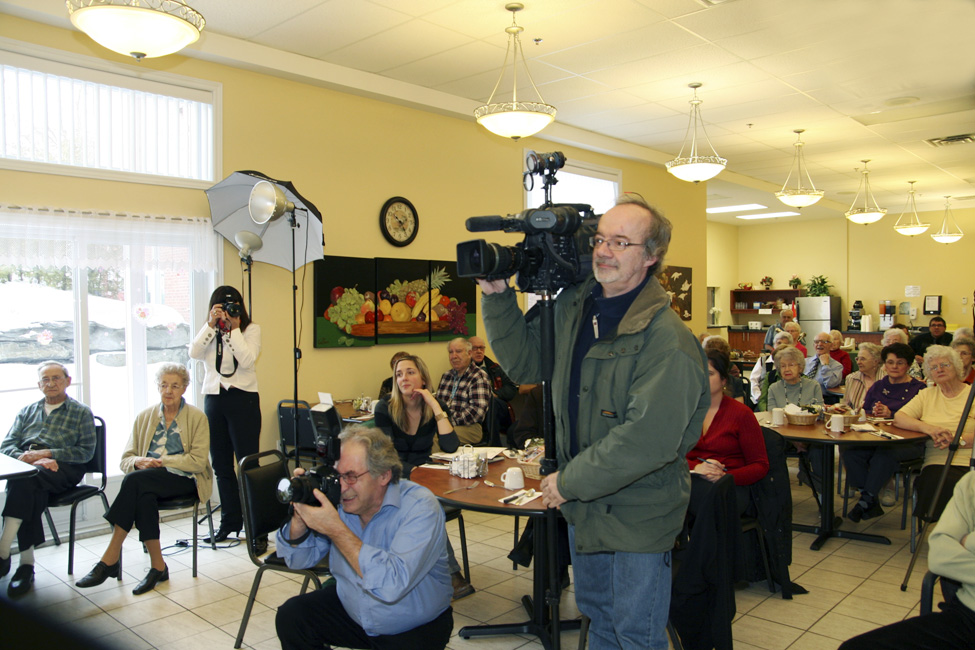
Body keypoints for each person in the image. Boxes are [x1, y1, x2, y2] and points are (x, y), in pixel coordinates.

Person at [478, 194, 709, 649]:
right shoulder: (577, 306)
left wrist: (569, 481)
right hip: (586, 507)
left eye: (621, 242)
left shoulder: (669, 342)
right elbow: (527, 365)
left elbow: (647, 440)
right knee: (600, 622)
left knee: (636, 635)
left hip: (637, 515)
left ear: (651, 256)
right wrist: (498, 297)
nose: (603, 251)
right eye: (601, 239)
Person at [274, 426, 453, 650]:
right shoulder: (339, 499)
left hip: (413, 626)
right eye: (337, 475)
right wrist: (299, 518)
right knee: (292, 617)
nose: (342, 487)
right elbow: (298, 560)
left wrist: (336, 529)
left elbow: (392, 585)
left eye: (350, 477)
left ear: (384, 475)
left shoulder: (420, 507)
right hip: (355, 612)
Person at [75, 364, 212, 595]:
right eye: (163, 385)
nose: (168, 390)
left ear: (185, 388)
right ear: (157, 387)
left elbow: (198, 462)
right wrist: (140, 461)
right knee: (143, 494)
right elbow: (126, 459)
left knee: (136, 482)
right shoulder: (145, 416)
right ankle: (158, 567)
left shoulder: (197, 417)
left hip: (186, 480)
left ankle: (109, 560)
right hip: (148, 481)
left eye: (175, 386)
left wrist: (161, 461)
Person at [372, 354, 472, 600]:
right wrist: (413, 473)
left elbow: (450, 446)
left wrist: (435, 405)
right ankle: (451, 574)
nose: (403, 378)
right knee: (427, 506)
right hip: (393, 477)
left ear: (423, 378)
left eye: (410, 372)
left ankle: (431, 572)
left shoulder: (432, 406)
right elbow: (385, 456)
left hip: (425, 478)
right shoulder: (385, 407)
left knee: (427, 502)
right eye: (399, 374)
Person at [839, 470, 975, 650]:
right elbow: (940, 557)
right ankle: (869, 498)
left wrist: (969, 541)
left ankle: (868, 499)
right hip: (967, 616)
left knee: (883, 459)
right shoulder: (971, 483)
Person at [0, 362, 95, 597]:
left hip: (65, 468)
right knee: (28, 484)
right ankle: (26, 565)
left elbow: (85, 452)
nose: (51, 383)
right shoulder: (27, 411)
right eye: (45, 379)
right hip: (31, 468)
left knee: (24, 480)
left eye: (56, 378)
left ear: (68, 381)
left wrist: (46, 454)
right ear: (38, 384)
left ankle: (3, 552)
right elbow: (6, 446)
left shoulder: (80, 411)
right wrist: (29, 459)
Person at [188, 286, 262, 548]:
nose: (228, 311)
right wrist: (212, 325)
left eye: (233, 306)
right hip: (214, 399)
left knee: (248, 466)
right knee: (221, 466)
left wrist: (233, 329)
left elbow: (248, 360)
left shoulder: (250, 330)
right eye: (222, 306)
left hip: (243, 399)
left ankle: (258, 530)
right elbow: (194, 353)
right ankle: (229, 523)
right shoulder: (209, 330)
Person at [843, 343, 927, 521]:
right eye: (890, 362)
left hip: (907, 442)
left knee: (884, 453)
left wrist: (893, 414)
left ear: (908, 365)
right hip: (875, 436)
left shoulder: (919, 389)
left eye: (900, 362)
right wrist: (874, 412)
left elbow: (922, 420)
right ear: (884, 364)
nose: (894, 367)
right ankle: (870, 498)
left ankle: (866, 501)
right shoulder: (878, 386)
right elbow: (864, 412)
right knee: (849, 449)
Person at [894, 345, 975, 526]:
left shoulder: (972, 394)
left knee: (965, 486)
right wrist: (929, 429)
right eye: (933, 367)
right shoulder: (927, 395)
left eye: (944, 365)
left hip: (970, 461)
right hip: (938, 461)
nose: (939, 369)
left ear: (957, 366)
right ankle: (948, 536)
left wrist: (957, 440)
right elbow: (899, 418)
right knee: (938, 482)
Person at [687, 349, 769, 514]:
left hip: (731, 486)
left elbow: (760, 465)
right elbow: (671, 457)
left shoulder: (741, 414)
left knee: (707, 500)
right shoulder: (685, 411)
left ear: (724, 380)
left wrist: (726, 477)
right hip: (693, 481)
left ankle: (699, 540)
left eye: (709, 373)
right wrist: (697, 468)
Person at [434, 338, 491, 445]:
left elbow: (476, 412)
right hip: (444, 423)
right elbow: (438, 405)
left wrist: (447, 421)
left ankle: (433, 462)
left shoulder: (478, 376)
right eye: (451, 352)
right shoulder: (446, 376)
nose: (454, 356)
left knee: (436, 438)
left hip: (470, 428)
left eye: (458, 351)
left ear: (469, 354)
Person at [469, 335, 518, 444]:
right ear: (468, 351)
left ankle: (493, 443)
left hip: (498, 405)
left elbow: (512, 388)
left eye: (481, 348)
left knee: (491, 403)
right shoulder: (463, 370)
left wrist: (495, 394)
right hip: (474, 406)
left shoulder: (494, 368)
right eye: (475, 348)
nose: (479, 351)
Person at [768, 346, 823, 410]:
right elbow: (772, 414)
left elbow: (820, 412)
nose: (787, 369)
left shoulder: (814, 386)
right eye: (783, 366)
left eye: (791, 365)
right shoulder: (773, 389)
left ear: (800, 367)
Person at [751, 331, 793, 407]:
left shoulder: (795, 364)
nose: (781, 346)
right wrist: (758, 397)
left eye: (785, 344)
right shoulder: (763, 360)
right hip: (764, 400)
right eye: (779, 343)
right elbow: (753, 381)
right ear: (774, 345)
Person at [842, 342, 883, 411]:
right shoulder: (851, 378)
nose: (858, 362)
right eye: (857, 359)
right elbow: (846, 406)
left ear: (875, 361)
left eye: (863, 359)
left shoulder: (886, 379)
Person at [805, 332, 843, 396]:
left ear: (831, 345)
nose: (820, 344)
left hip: (823, 399)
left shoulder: (837, 366)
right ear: (813, 345)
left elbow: (830, 384)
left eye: (824, 342)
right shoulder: (805, 362)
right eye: (817, 342)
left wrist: (825, 365)